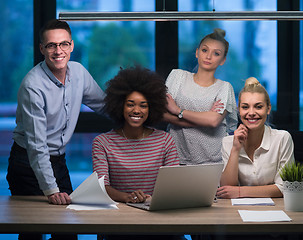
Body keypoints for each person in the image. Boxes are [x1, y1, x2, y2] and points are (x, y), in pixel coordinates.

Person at [6, 19, 105, 239]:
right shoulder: (33, 86)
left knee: (68, 229)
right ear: (42, 49)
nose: (58, 51)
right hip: (27, 163)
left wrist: (139, 113)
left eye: (63, 44)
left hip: (58, 160)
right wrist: (51, 190)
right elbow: (37, 146)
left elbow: (105, 105)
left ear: (71, 46)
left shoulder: (79, 72)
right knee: (33, 230)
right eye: (51, 45)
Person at [92, 66, 181, 240]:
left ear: (151, 108)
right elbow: (102, 188)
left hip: (158, 220)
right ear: (120, 106)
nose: (136, 110)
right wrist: (128, 197)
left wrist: (151, 199)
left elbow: (173, 185)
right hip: (118, 222)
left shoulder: (165, 140)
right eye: (130, 104)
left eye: (143, 105)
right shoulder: (102, 143)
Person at [164, 28, 238, 165]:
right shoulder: (177, 76)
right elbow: (161, 114)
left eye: (216, 53)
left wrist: (178, 111)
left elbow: (213, 121)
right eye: (205, 50)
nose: (208, 56)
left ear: (223, 60)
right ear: (197, 52)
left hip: (213, 161)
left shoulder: (225, 87)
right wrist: (203, 119)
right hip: (177, 157)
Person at [217, 77, 295, 199]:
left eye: (258, 107)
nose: (251, 112)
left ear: (268, 109)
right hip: (236, 211)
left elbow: (285, 187)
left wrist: (240, 192)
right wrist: (235, 149)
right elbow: (226, 189)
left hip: (275, 210)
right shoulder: (227, 142)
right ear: (238, 110)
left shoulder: (282, 139)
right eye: (245, 107)